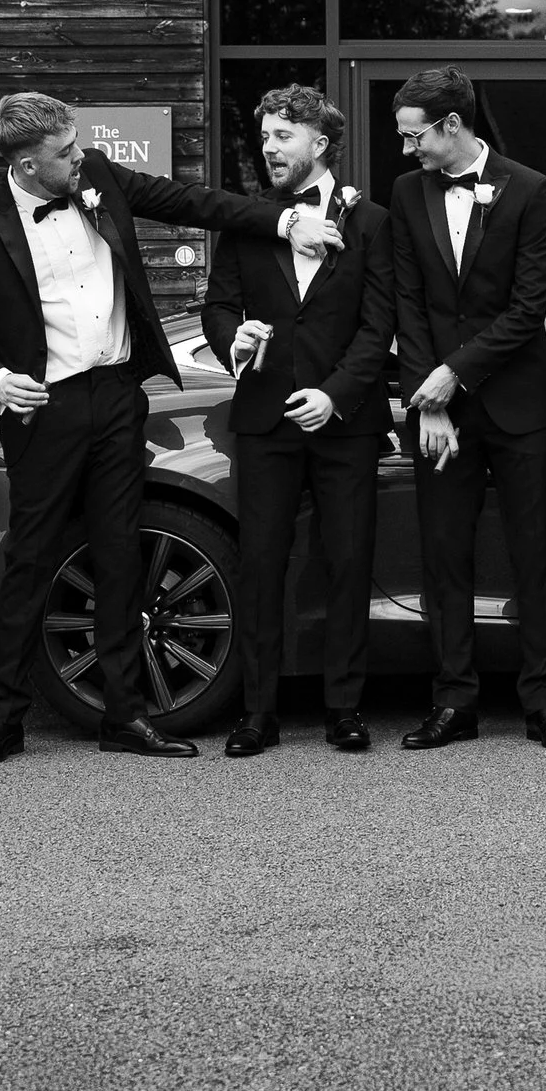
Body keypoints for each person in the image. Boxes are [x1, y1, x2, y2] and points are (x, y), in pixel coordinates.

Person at [0, 91, 341, 768]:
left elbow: (194, 203)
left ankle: (125, 716)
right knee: (29, 560)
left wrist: (285, 220)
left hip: (119, 397)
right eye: (66, 152)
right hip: (45, 410)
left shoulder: (97, 175)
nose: (81, 157)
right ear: (29, 165)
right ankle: (2, 719)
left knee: (120, 555)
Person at [200, 85, 396, 757]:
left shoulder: (372, 222)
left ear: (320, 142)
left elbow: (378, 326)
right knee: (260, 566)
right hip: (265, 420)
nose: (268, 149)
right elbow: (218, 306)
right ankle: (258, 712)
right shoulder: (251, 220)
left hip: (347, 424)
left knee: (348, 563)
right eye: (264, 138)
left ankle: (345, 708)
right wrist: (233, 340)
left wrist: (335, 395)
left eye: (282, 136)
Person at [385, 66, 546, 751]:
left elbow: (528, 308)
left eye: (415, 136)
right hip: (439, 412)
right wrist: (427, 400)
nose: (408, 149)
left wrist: (451, 375)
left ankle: (544, 702)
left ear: (452, 125)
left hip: (521, 406)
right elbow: (407, 302)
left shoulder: (531, 188)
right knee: (444, 555)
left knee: (536, 555)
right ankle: (453, 701)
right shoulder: (406, 192)